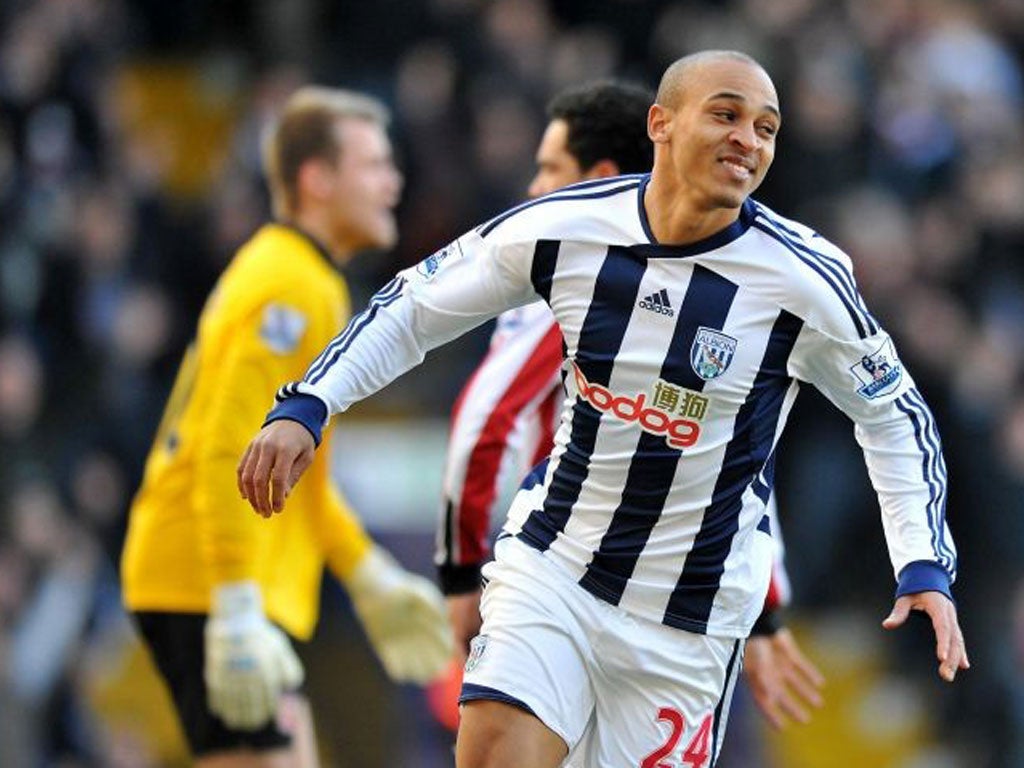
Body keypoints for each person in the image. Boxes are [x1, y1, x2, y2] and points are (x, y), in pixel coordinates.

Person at [238, 51, 968, 768]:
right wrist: (308, 402)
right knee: (493, 752)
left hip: (685, 628)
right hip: (557, 570)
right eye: (726, 114)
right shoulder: (567, 228)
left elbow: (893, 417)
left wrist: (923, 561)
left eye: (767, 127)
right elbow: (418, 307)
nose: (749, 139)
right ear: (661, 123)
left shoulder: (805, 279)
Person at [436, 79, 823, 732]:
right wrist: (767, 606)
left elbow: (484, 422)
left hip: (578, 586)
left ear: (602, 176)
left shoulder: (578, 281)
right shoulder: (725, 289)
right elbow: (742, 467)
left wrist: (459, 572)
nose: (534, 189)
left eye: (549, 169)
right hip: (641, 602)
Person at [121, 87, 452, 767]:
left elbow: (295, 477)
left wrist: (369, 576)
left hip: (207, 579)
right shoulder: (290, 288)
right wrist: (237, 606)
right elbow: (226, 450)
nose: (393, 183)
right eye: (374, 165)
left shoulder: (303, 278)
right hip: (208, 584)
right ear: (316, 179)